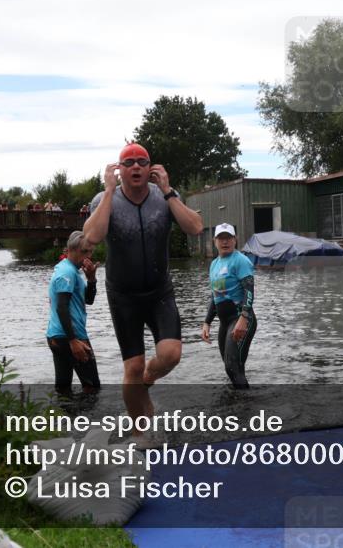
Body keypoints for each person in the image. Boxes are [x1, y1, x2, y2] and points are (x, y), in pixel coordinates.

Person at [83, 143, 203, 424]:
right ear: (118, 170)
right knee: (133, 367)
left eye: (141, 161)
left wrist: (169, 191)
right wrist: (110, 191)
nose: (135, 166)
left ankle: (149, 377)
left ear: (150, 169)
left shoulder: (164, 198)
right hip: (123, 295)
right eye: (128, 163)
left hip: (159, 291)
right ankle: (141, 433)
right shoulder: (104, 199)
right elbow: (92, 237)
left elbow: (196, 228)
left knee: (171, 354)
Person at [201, 223, 257, 389]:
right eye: (221, 238)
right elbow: (215, 295)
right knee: (233, 366)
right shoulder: (214, 264)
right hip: (225, 323)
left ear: (235, 240)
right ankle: (241, 405)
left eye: (229, 238)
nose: (225, 242)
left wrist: (244, 318)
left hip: (241, 318)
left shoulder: (240, 261)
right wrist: (207, 322)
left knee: (232, 367)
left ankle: (246, 408)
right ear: (215, 241)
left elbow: (249, 290)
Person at [46, 230, 101, 395]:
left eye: (90, 252)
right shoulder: (67, 273)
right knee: (92, 388)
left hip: (57, 337)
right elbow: (61, 307)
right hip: (71, 337)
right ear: (71, 249)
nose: (88, 256)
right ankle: (88, 420)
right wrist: (73, 341)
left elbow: (88, 300)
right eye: (84, 252)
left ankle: (64, 419)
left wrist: (91, 279)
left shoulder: (71, 270)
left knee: (63, 390)